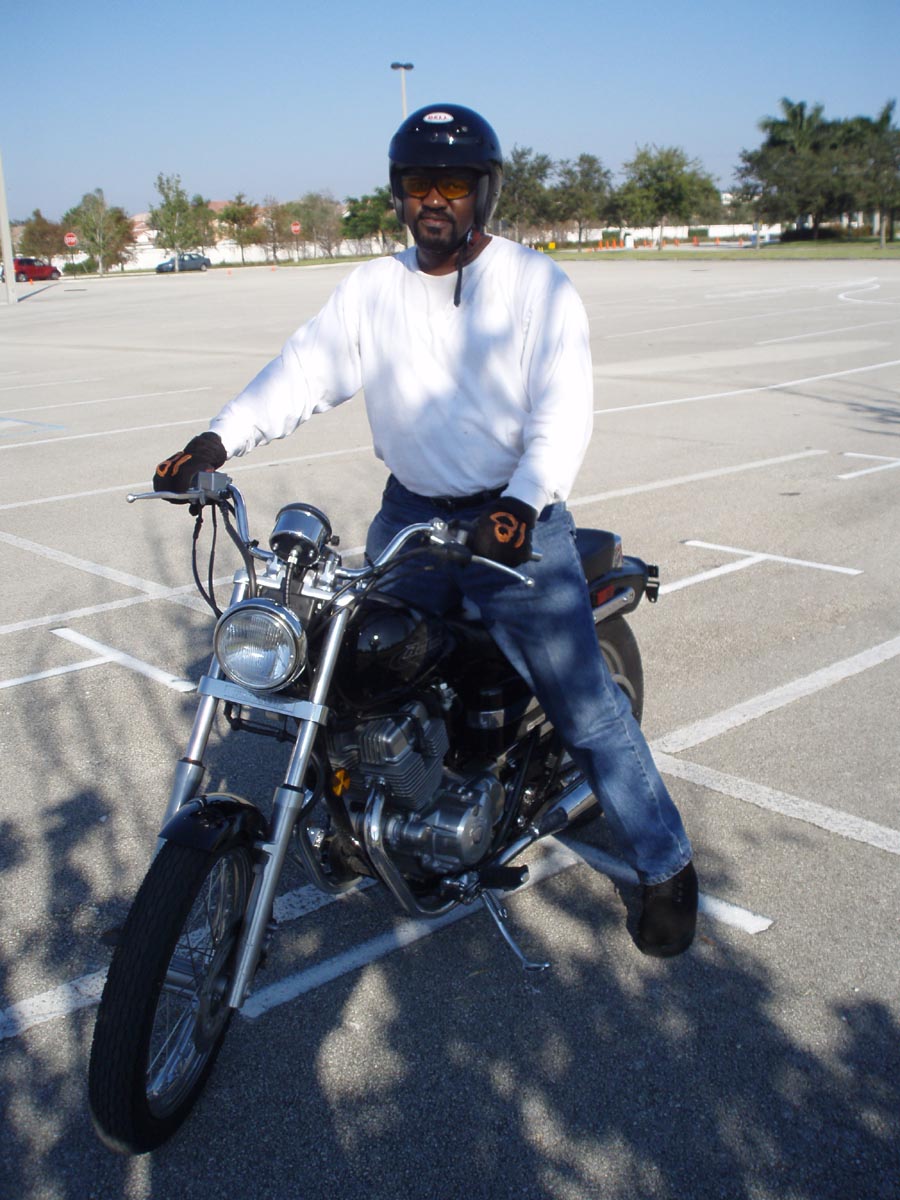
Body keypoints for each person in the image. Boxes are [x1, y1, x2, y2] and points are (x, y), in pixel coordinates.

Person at [153, 103, 698, 957]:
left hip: (513, 520)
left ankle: (666, 865)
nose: (433, 199)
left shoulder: (537, 286)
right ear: (399, 193)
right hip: (412, 512)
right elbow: (302, 371)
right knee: (357, 664)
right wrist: (216, 442)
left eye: (451, 183)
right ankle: (385, 806)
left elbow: (563, 412)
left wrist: (524, 501)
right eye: (417, 183)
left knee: (585, 707)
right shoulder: (374, 289)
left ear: (483, 191)